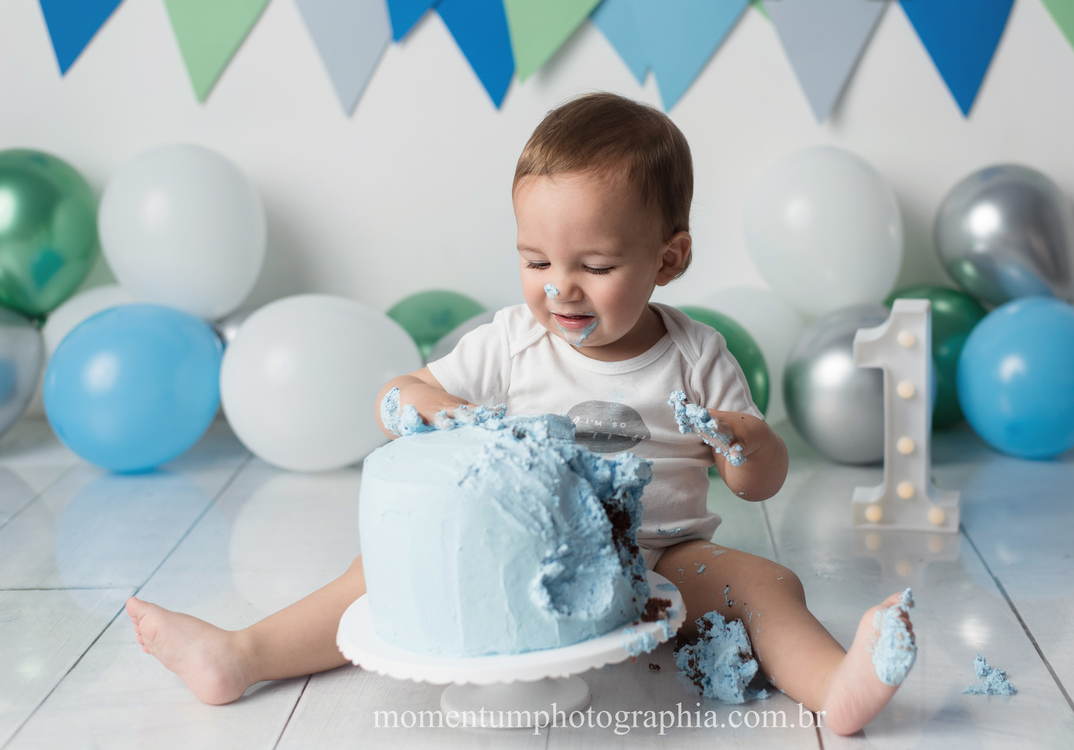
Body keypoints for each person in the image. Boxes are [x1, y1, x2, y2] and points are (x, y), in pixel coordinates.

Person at [126, 92, 913, 736]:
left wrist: (744, 444)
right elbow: (395, 393)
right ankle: (243, 653)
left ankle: (834, 687)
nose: (559, 288)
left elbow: (757, 485)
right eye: (536, 261)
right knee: (372, 579)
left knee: (767, 583)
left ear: (668, 258)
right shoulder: (509, 341)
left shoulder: (697, 353)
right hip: (519, 555)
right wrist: (439, 409)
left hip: (661, 563)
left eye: (595, 265)